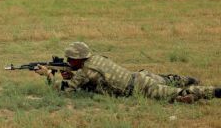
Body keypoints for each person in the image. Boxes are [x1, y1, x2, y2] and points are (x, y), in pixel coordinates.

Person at [35, 42, 220, 103]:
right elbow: (96, 77)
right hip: (139, 75)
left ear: (78, 59)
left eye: (70, 60)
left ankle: (214, 92)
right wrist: (70, 74)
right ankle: (188, 79)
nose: (68, 62)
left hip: (140, 87)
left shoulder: (85, 71)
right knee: (169, 79)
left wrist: (49, 76)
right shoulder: (96, 59)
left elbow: (66, 90)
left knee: (178, 95)